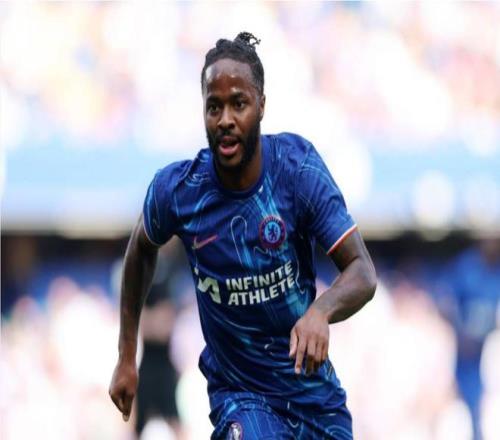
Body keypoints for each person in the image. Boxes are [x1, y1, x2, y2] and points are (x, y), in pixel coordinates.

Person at [109, 32, 377, 440]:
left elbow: (362, 271)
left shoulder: (297, 171)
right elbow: (140, 249)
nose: (225, 120)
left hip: (313, 400)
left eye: (239, 103)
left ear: (261, 105)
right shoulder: (179, 191)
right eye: (214, 106)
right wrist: (127, 354)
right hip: (241, 397)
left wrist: (320, 312)